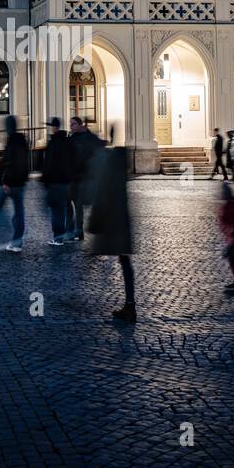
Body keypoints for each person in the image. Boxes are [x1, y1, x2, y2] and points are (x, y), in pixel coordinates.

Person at [86, 146, 136, 322]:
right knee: (125, 263)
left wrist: (94, 223)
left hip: (113, 227)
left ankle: (130, 306)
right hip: (122, 226)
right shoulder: (122, 175)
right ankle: (130, 305)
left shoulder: (111, 177)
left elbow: (102, 201)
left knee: (94, 258)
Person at [0, 114, 30, 252]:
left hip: (10, 183)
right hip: (19, 183)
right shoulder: (21, 141)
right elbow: (24, 164)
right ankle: (16, 242)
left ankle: (8, 233)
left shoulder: (12, 141)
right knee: (19, 211)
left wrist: (5, 181)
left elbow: (11, 163)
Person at [67, 116, 104, 242]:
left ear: (79, 125)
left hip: (82, 178)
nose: (70, 126)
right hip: (71, 178)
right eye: (70, 124)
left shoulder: (88, 138)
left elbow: (98, 151)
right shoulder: (71, 139)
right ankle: (71, 231)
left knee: (78, 206)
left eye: (73, 124)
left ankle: (79, 231)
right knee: (68, 205)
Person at [40, 117, 75, 247]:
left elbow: (48, 163)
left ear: (54, 128)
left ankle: (58, 237)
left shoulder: (53, 143)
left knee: (56, 211)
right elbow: (73, 161)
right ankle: (68, 233)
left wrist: (44, 180)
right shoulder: (67, 142)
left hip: (55, 182)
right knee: (64, 208)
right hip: (66, 181)